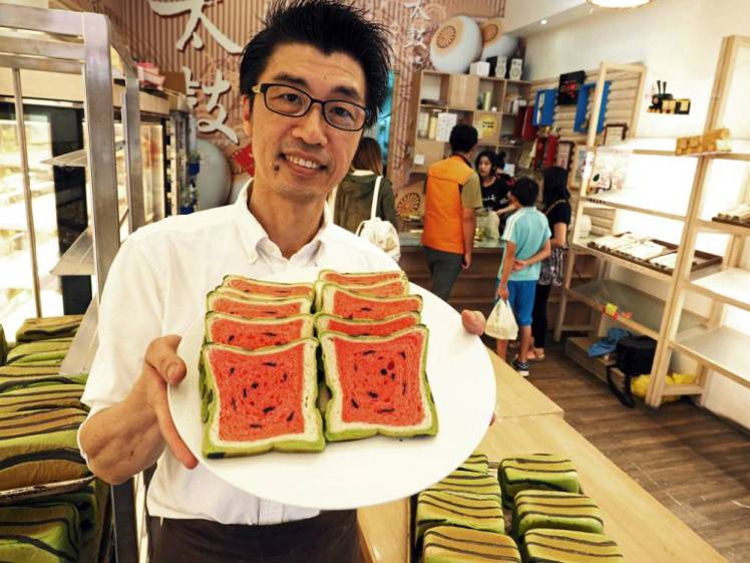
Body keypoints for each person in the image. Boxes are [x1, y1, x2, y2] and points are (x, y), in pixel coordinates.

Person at [77, 2, 484, 562]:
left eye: (342, 110)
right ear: (247, 109)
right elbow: (106, 461)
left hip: (332, 541)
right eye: (289, 98)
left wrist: (463, 388)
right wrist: (151, 401)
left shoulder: (374, 274)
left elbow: (395, 451)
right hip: (198, 545)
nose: (313, 131)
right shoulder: (157, 255)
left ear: (360, 129)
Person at [495, 177, 551, 377]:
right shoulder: (542, 218)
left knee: (504, 319)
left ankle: (501, 364)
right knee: (525, 320)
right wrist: (528, 263)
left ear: (514, 197)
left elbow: (510, 255)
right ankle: (523, 362)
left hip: (510, 278)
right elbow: (547, 250)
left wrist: (502, 284)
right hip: (530, 278)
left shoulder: (514, 220)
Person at [421, 124, 484, 302]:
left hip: (430, 241)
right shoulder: (469, 176)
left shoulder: (433, 169)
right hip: (451, 246)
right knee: (439, 299)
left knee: (435, 290)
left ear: (450, 143)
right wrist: (468, 251)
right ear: (474, 147)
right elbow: (468, 218)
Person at [528, 166, 572, 362]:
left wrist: (537, 243)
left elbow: (559, 240)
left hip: (547, 261)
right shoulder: (553, 204)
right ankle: (530, 341)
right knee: (534, 302)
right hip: (542, 259)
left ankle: (539, 348)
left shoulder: (561, 206)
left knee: (539, 304)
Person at [331, 136, 398, 234]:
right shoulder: (382, 185)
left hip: (342, 245)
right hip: (369, 247)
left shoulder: (339, 182)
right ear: (376, 159)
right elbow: (392, 229)